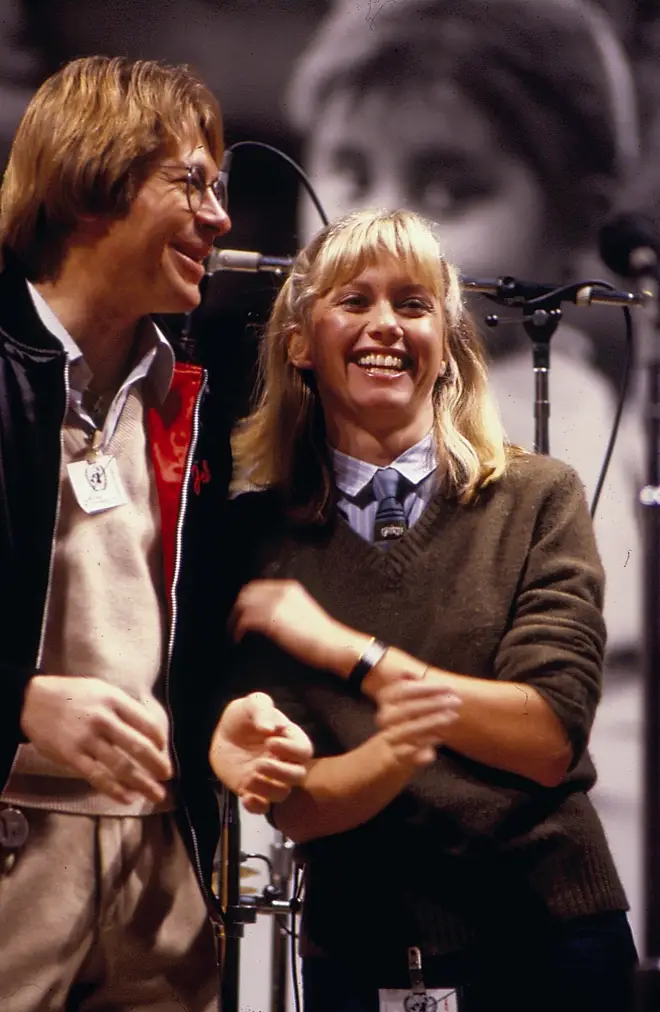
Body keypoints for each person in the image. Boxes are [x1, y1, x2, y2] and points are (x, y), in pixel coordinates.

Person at [213, 208, 637, 1011]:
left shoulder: (538, 497)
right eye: (355, 301)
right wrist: (408, 742)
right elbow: (301, 804)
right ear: (301, 342)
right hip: (361, 952)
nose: (386, 326)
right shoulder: (255, 536)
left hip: (551, 944)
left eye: (413, 306)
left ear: (445, 345)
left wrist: (349, 652)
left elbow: (546, 736)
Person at [0, 55, 312, 1012]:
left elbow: (191, 624)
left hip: (158, 854)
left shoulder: (193, 394)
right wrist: (19, 699)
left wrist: (225, 718)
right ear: (94, 185)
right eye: (193, 183)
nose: (221, 218)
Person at [285, 0, 644, 654]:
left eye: (449, 193)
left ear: (574, 222)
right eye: (351, 173)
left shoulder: (555, 438)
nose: (378, 237)